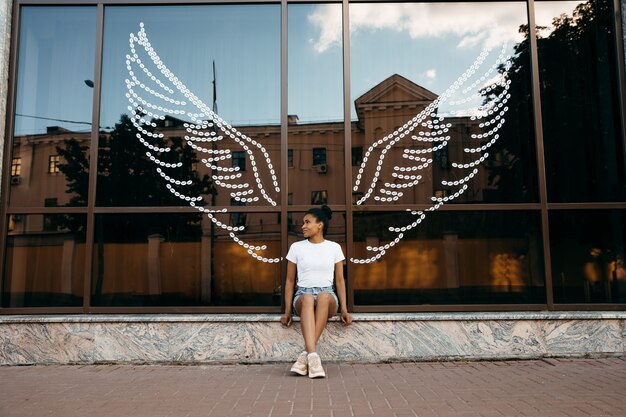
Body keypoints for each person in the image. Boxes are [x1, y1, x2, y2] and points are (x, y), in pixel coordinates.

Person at [280, 205, 352, 378]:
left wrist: (344, 309)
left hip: (328, 296)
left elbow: (340, 281)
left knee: (323, 296)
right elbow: (290, 281)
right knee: (307, 298)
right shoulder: (297, 247)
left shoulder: (334, 247)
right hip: (302, 295)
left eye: (307, 222)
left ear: (320, 225)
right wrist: (287, 310)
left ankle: (306, 356)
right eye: (303, 223)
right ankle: (313, 358)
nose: (303, 226)